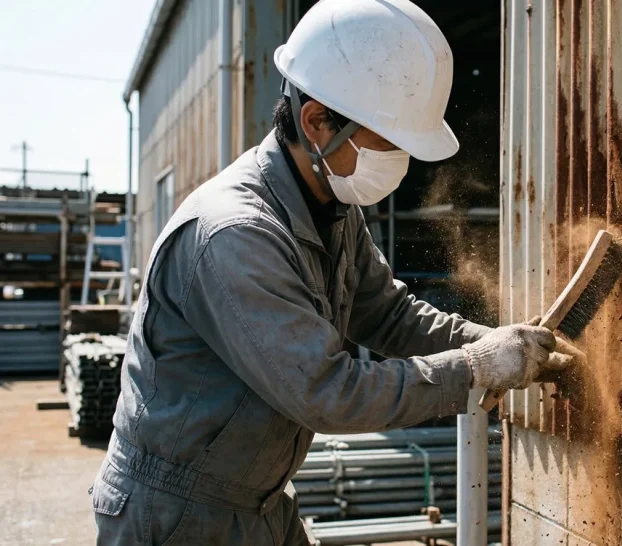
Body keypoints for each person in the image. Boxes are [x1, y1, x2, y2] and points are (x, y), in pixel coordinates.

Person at [90, 1, 578, 544]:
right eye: (388, 142)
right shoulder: (235, 235)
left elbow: (388, 315)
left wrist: (496, 344)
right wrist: (473, 369)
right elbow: (325, 391)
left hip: (258, 500)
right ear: (316, 122)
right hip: (178, 514)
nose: (399, 161)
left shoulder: (330, 206)